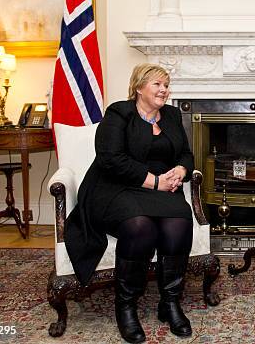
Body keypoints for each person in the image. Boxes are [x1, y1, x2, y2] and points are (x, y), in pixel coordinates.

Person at [64, 63, 194, 342]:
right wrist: (156, 181)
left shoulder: (171, 115)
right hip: (116, 187)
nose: (164, 90)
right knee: (140, 227)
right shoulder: (119, 113)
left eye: (166, 84)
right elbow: (111, 159)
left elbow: (185, 153)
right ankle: (126, 307)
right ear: (138, 87)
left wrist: (181, 171)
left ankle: (169, 302)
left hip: (160, 190)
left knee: (179, 222)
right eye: (157, 84)